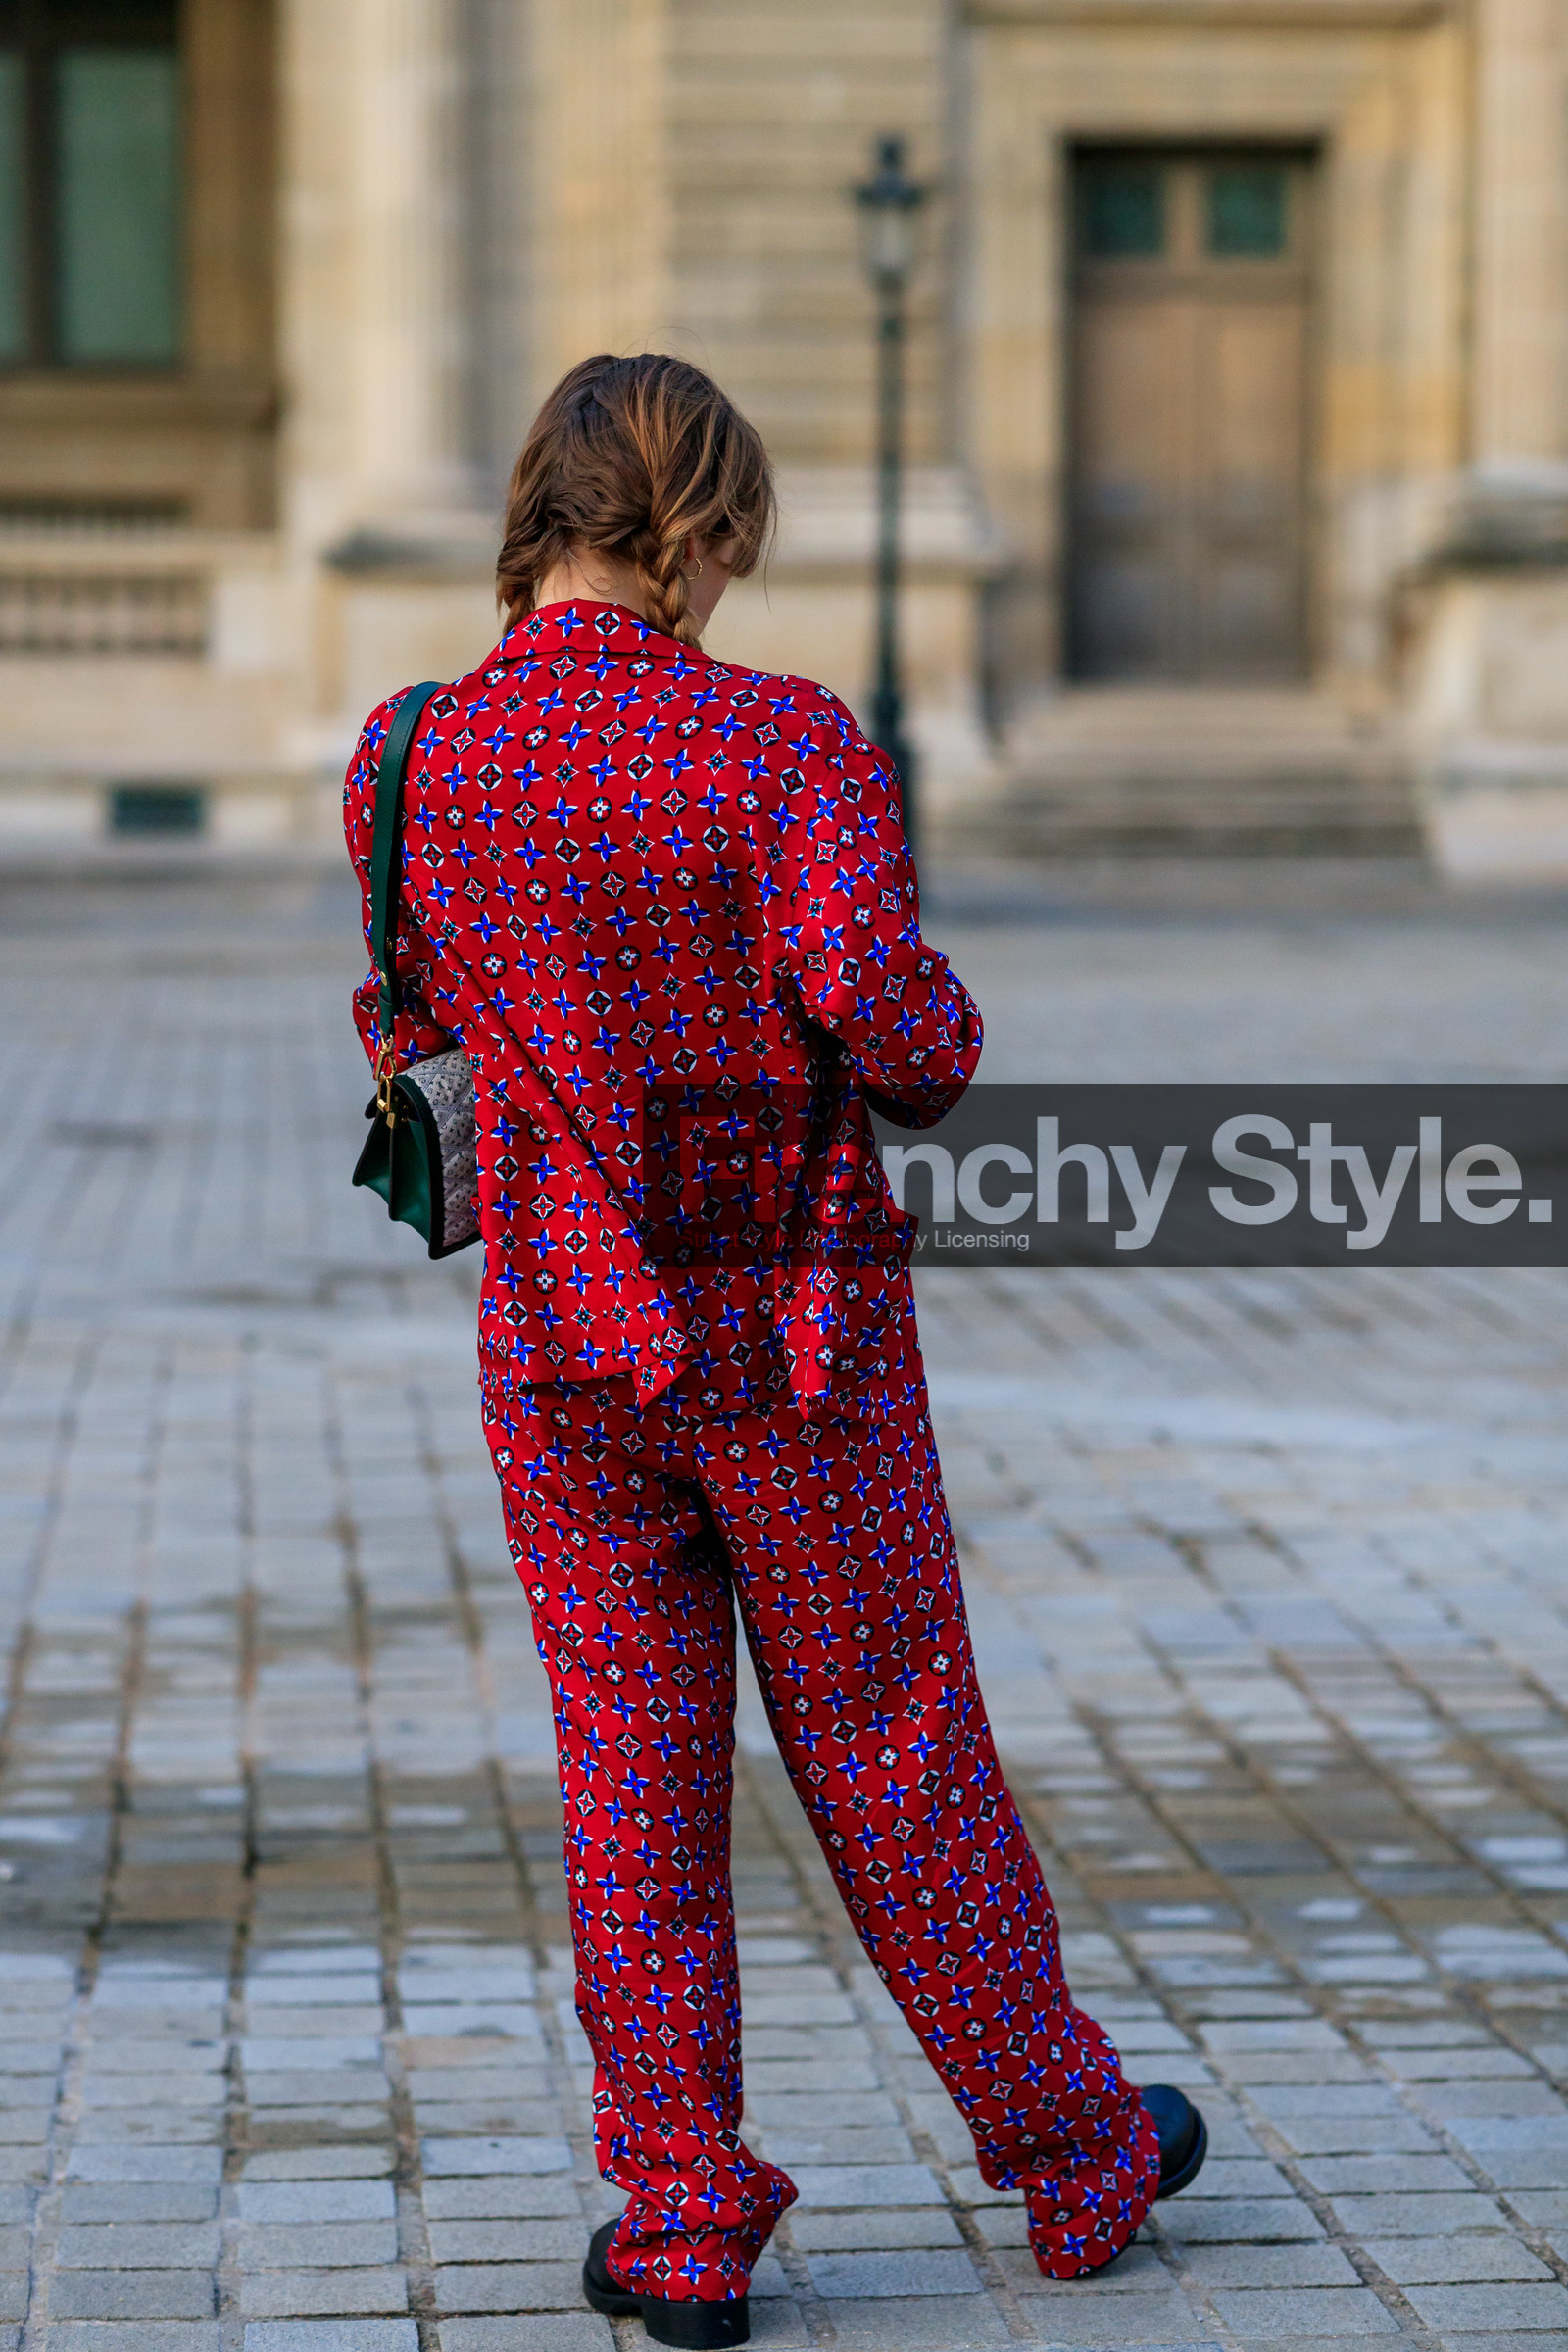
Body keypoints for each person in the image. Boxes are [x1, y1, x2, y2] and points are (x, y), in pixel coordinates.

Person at [344, 352, 1205, 2350]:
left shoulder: (407, 757)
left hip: (564, 1345)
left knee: (628, 1773)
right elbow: (902, 1046)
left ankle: (677, 2227)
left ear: (535, 515)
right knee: (893, 1750)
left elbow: (402, 1020)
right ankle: (1074, 2158)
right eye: (731, 542)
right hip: (796, 1343)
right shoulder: (780, 744)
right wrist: (925, 1000)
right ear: (700, 524)